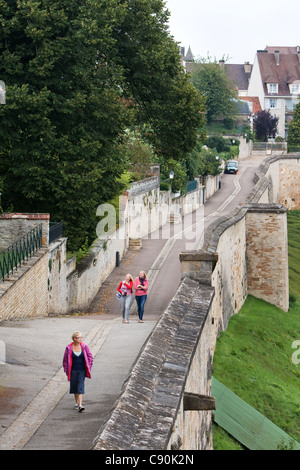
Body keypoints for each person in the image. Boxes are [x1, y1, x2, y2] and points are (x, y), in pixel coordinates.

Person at [62, 331, 93, 412]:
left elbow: (90, 357)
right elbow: (65, 360)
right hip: (72, 370)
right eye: (78, 337)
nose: (80, 339)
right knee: (74, 386)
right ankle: (76, 402)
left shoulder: (84, 346)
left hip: (82, 370)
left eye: (80, 337)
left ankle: (80, 405)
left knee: (80, 386)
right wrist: (66, 369)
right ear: (74, 339)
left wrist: (89, 365)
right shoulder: (69, 348)